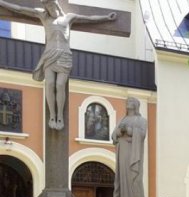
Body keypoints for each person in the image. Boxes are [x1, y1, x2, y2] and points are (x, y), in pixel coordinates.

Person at [0, 0, 116, 130]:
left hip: (64, 55)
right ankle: (52, 115)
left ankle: (60, 115)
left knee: (60, 85)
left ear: (56, 5)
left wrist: (106, 17)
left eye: (51, 6)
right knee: (49, 84)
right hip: (49, 54)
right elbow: (19, 9)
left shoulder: (69, 17)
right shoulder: (43, 16)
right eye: (47, 7)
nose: (50, 9)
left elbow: (89, 19)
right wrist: (2, 3)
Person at [112, 97, 147, 197]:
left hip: (133, 152)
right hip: (122, 151)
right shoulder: (122, 119)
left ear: (136, 105)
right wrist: (120, 131)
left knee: (135, 178)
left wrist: (129, 130)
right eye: (127, 102)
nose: (128, 103)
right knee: (124, 177)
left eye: (131, 102)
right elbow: (114, 135)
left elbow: (142, 135)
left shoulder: (141, 120)